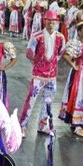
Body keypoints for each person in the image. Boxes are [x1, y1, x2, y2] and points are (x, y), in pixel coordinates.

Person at [20, 10, 65, 138]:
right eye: (49, 20)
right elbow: (29, 52)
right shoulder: (37, 36)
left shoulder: (60, 37)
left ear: (56, 22)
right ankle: (22, 126)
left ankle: (42, 124)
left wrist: (52, 64)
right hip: (38, 75)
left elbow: (61, 52)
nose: (51, 23)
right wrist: (38, 63)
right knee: (31, 101)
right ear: (45, 21)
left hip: (52, 76)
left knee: (48, 102)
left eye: (53, 21)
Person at [58, 22, 83, 136]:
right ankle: (77, 124)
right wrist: (73, 65)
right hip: (80, 74)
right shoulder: (77, 44)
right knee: (78, 96)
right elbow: (66, 55)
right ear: (79, 32)